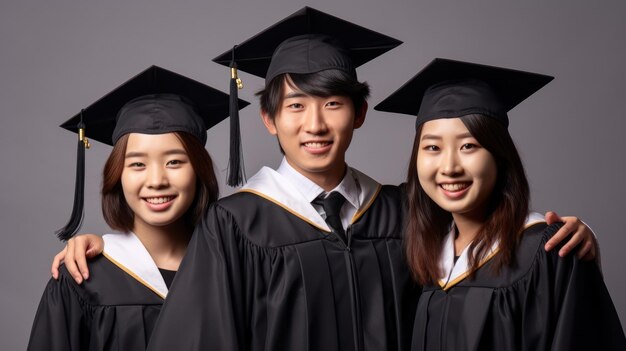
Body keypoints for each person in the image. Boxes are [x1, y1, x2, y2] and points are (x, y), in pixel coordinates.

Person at [51, 8, 598, 351]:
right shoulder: (236, 224)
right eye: (295, 106)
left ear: (359, 114)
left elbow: (481, 250)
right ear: (268, 119)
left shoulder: (404, 211)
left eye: (333, 104)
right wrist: (107, 242)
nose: (314, 124)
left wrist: (565, 234)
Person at [375, 58, 625, 350]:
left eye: (469, 146)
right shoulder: (425, 256)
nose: (449, 167)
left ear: (499, 156)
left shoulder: (546, 251)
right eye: (432, 147)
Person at [28, 66, 249, 350]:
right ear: (117, 176)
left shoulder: (235, 268)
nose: (156, 181)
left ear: (199, 171)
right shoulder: (82, 281)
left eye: (174, 162)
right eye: (137, 164)